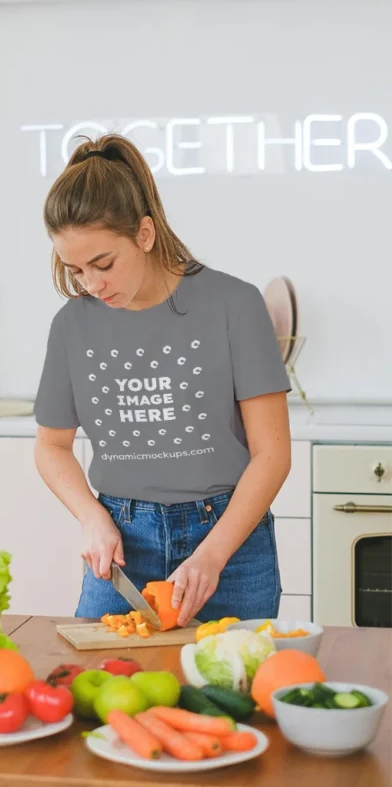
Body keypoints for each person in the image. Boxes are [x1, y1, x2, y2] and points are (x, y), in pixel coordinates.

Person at [33, 133, 291, 627]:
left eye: (103, 264)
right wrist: (91, 518)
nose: (91, 284)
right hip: (124, 544)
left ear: (145, 234)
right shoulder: (72, 325)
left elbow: (272, 454)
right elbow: (51, 446)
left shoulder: (234, 305)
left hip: (230, 544)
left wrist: (212, 556)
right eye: (76, 269)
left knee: (230, 694)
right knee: (105, 694)